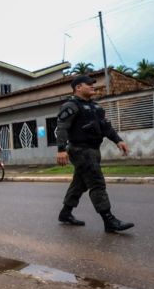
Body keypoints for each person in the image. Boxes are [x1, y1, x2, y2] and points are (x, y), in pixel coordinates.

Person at [56, 75, 134, 233]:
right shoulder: (71, 106)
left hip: (93, 150)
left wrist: (118, 140)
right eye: (89, 84)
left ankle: (65, 213)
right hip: (80, 150)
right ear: (78, 87)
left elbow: (106, 127)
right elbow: (62, 127)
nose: (93, 86)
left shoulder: (96, 107)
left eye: (93, 84)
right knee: (97, 182)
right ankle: (109, 220)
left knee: (80, 183)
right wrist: (61, 149)